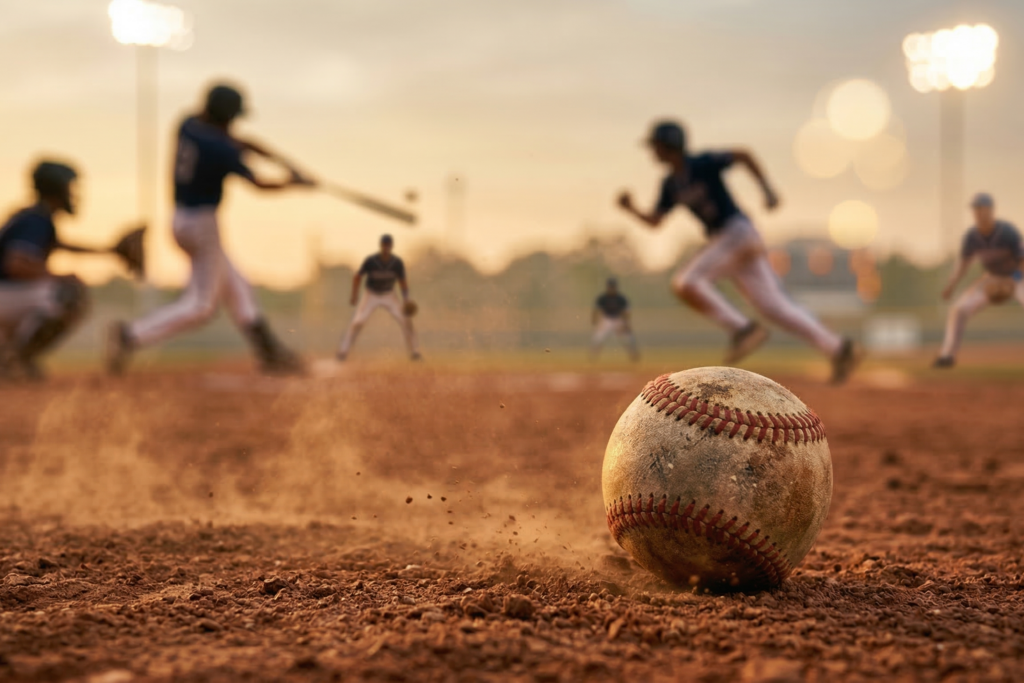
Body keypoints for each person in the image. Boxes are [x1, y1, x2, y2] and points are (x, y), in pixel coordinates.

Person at [617, 120, 859, 383]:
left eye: (655, 145)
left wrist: (767, 189)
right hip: (732, 242)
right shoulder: (670, 184)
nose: (652, 152)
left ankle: (743, 329)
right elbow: (656, 221)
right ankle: (838, 348)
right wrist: (632, 209)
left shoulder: (700, 164)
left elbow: (743, 155)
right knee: (774, 307)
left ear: (669, 145)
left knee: (686, 282)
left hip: (735, 232)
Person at [106, 83, 314, 375]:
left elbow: (242, 143)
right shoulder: (220, 149)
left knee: (238, 286)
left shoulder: (189, 124)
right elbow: (258, 184)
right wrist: (292, 183)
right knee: (202, 306)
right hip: (202, 225)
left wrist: (285, 163)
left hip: (180, 219)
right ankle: (131, 335)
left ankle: (270, 352)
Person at [0, 161, 103, 379]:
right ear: (55, 188)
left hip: (8, 297)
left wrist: (110, 250)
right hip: (6, 296)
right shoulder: (36, 219)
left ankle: (8, 357)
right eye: (68, 187)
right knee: (68, 294)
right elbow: (15, 264)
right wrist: (59, 276)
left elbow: (64, 246)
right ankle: (15, 359)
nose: (72, 193)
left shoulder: (34, 216)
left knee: (54, 291)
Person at [935, 193, 1023, 368]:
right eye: (975, 209)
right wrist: (951, 285)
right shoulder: (972, 236)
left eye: (981, 208)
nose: (978, 212)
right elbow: (963, 264)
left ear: (990, 210)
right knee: (958, 309)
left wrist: (1014, 279)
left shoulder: (1007, 231)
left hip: (1017, 277)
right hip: (991, 277)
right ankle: (947, 355)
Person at [337, 234, 421, 361]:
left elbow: (402, 282)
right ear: (381, 246)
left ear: (391, 246)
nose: (386, 247)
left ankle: (415, 352)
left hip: (388, 294)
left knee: (405, 320)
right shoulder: (371, 261)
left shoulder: (396, 263)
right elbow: (357, 277)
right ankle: (343, 351)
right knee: (358, 322)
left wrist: (406, 299)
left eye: (388, 245)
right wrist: (354, 295)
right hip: (371, 294)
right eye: (384, 245)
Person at [591, 277, 639, 361]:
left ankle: (633, 355)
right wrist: (595, 320)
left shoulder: (620, 298)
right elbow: (596, 310)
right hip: (606, 319)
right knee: (598, 338)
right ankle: (593, 356)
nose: (611, 289)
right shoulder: (603, 298)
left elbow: (626, 312)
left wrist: (626, 324)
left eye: (613, 287)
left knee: (627, 339)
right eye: (610, 287)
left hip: (618, 319)